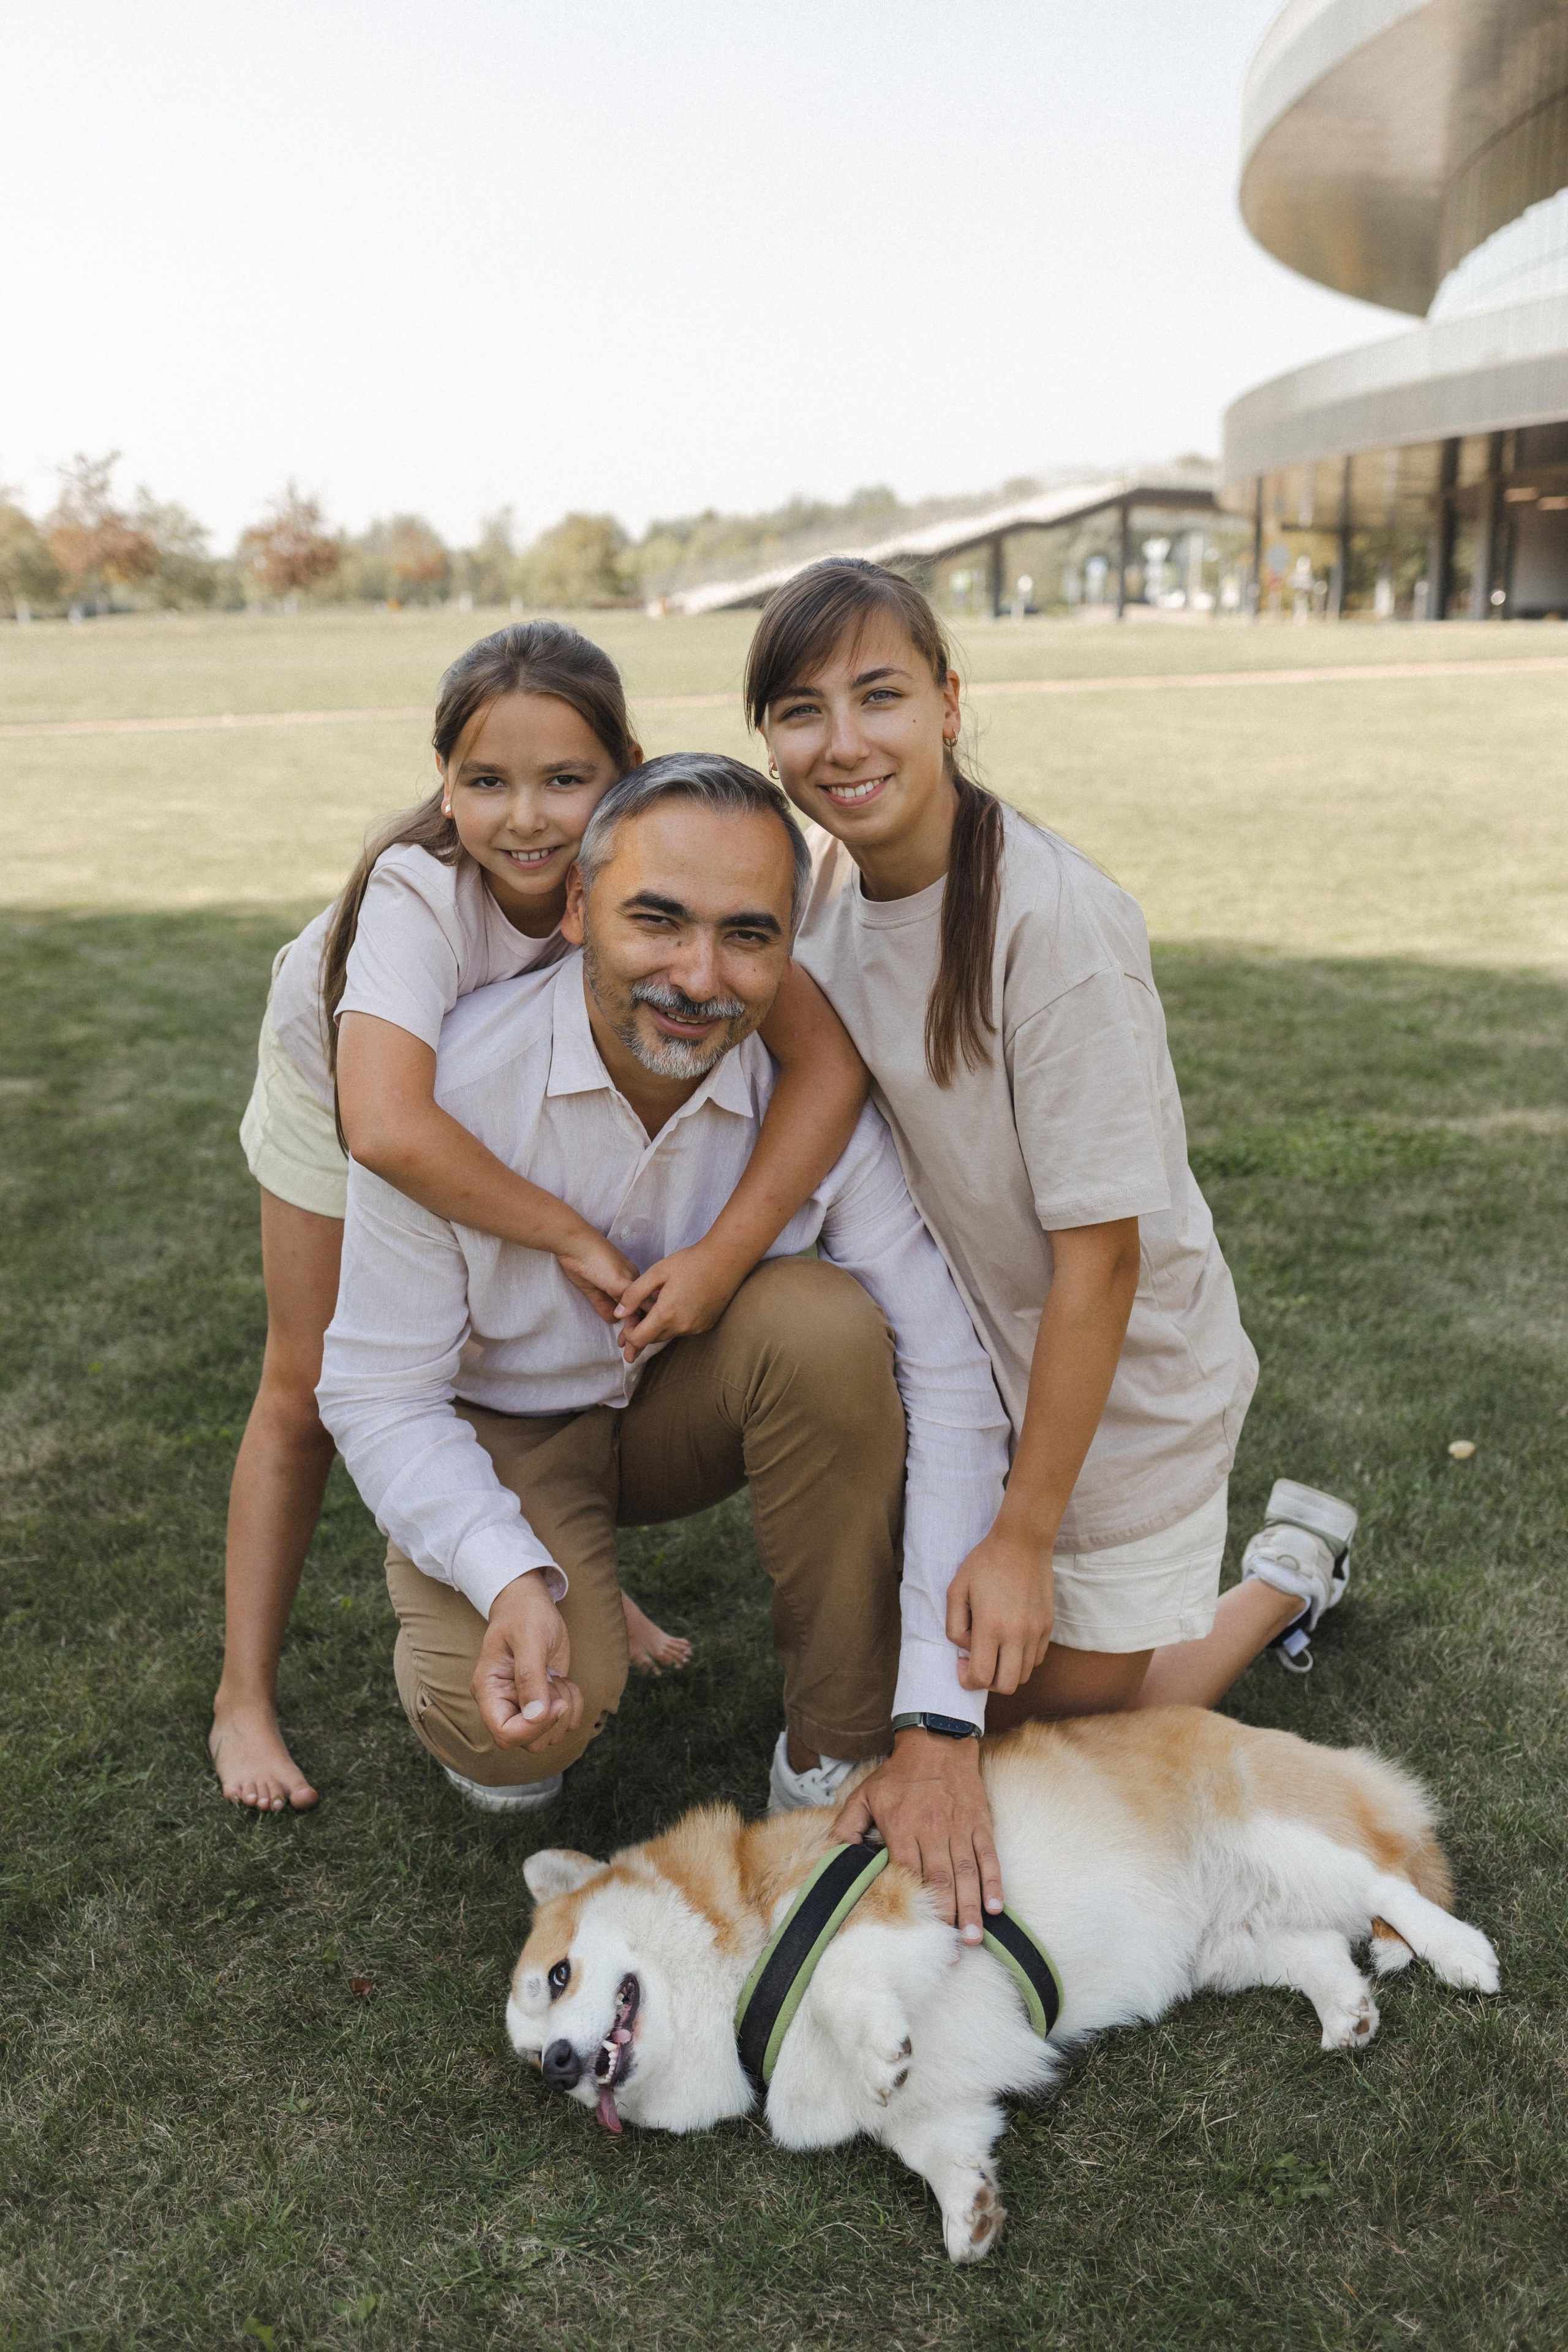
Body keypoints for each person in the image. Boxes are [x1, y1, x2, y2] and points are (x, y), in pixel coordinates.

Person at [316, 755, 1030, 1943]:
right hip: (502, 1431)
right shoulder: (454, 1091)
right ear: (581, 909)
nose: (699, 979)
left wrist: (935, 1721)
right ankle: (515, 1609)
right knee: (512, 1740)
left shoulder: (796, 1095)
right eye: (658, 921)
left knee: (828, 1325)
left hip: (679, 1409)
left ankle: (829, 1760)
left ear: (788, 950)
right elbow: (378, 1390)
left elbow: (950, 1381)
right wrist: (503, 1571)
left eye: (747, 938)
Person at [745, 559, 1355, 1880]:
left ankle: (1285, 1574)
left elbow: (1105, 1263)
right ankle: (1244, 1575)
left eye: (879, 695)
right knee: (956, 1703)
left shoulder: (1054, 926)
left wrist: (1023, 1533)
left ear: (949, 703)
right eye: (800, 710)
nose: (841, 743)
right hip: (969, 1366)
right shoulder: (826, 901)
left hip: (1117, 1375)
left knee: (1072, 1727)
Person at [213, 624, 868, 1815]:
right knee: (302, 1382)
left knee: (767, 1325)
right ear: (445, 785)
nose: (523, 815)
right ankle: (241, 1695)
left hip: (524, 1115)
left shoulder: (680, 887)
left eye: (564, 781)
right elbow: (390, 1127)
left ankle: (584, 1566)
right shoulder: (416, 898)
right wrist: (569, 1235)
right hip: (351, 1091)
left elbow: (823, 1066)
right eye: (484, 782)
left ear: (623, 771)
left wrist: (723, 1257)